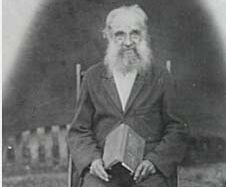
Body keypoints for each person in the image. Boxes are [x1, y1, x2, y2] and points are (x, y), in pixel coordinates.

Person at [67, 4, 188, 187]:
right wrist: (92, 161)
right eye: (120, 34)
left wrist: (154, 162)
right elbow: (79, 131)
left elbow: (177, 129)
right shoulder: (93, 77)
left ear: (144, 36)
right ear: (107, 36)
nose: (128, 41)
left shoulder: (161, 77)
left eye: (135, 33)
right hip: (103, 169)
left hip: (146, 170)